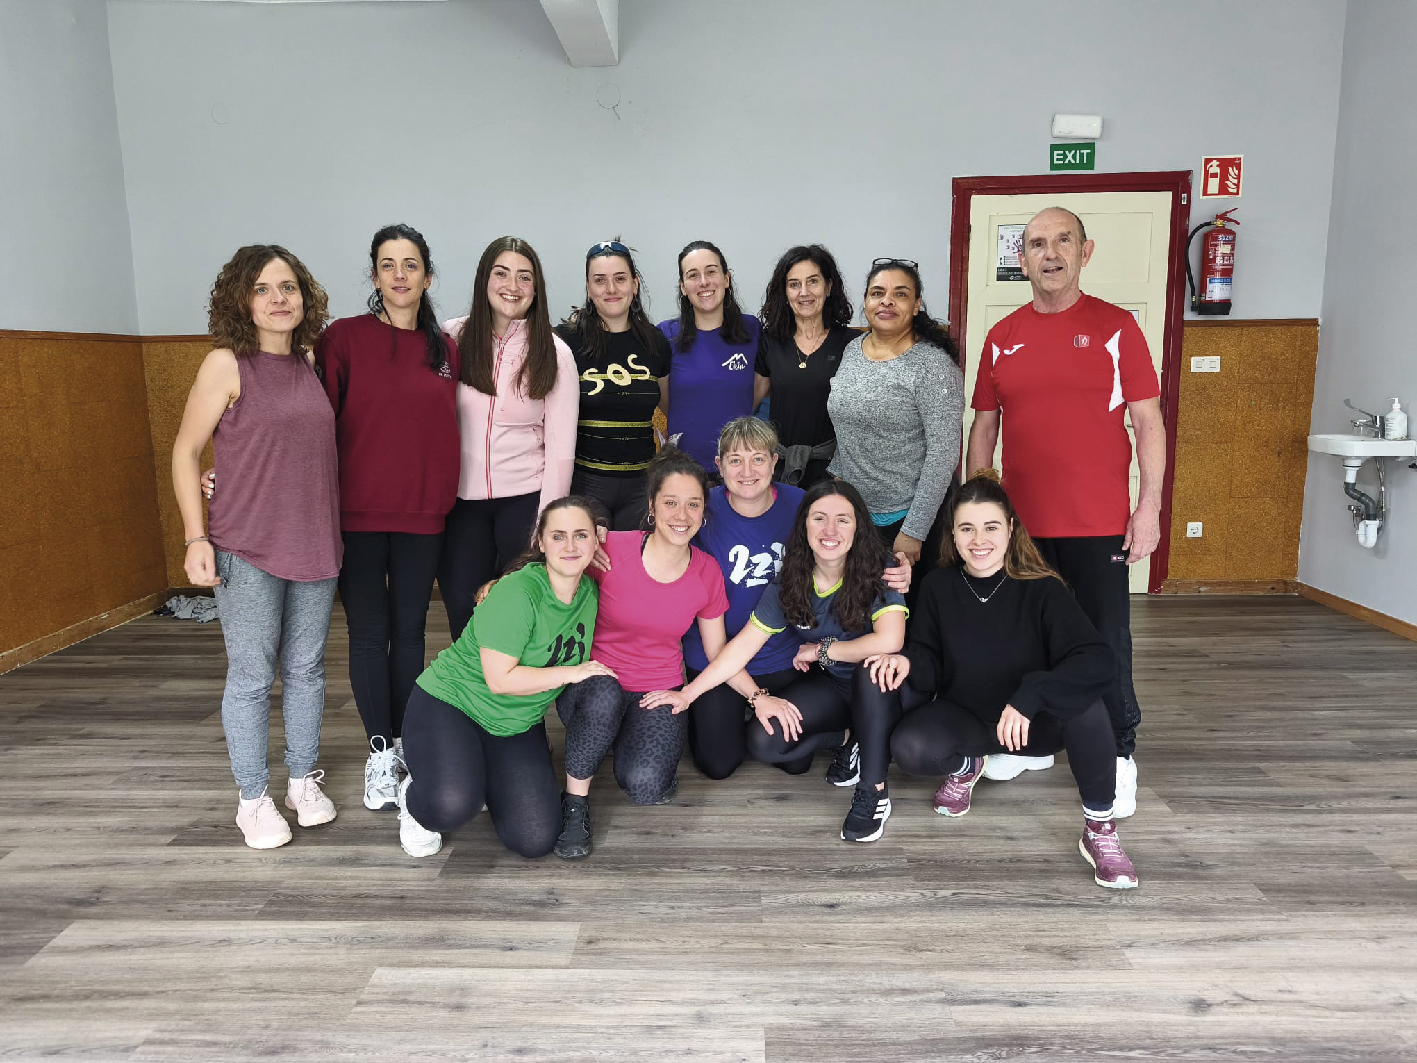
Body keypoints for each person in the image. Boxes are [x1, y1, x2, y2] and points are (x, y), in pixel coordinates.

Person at [965, 207, 1164, 818]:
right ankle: (1034, 744)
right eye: (1036, 244)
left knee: (1104, 642)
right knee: (1023, 640)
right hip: (1020, 529)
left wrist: (1150, 507)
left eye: (1062, 241)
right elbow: (984, 429)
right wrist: (978, 512)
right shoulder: (1002, 336)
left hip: (1097, 523)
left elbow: (1148, 423)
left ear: (1085, 251)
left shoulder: (1116, 327)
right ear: (1021, 259)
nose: (1049, 253)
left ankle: (1118, 754)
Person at [871, 470, 1140, 889]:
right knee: (910, 747)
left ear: (1011, 529)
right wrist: (907, 662)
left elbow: (1097, 659)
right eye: (967, 528)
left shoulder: (1043, 588)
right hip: (970, 718)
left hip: (1033, 724)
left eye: (991, 527)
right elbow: (929, 660)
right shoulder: (939, 586)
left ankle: (1099, 827)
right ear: (953, 534)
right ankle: (967, 767)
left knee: (1088, 707)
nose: (979, 540)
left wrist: (1032, 695)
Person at [171, 244, 339, 850]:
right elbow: (186, 451)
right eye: (263, 289)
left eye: (288, 287)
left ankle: (302, 780)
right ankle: (252, 797)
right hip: (246, 545)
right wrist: (196, 536)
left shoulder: (312, 361)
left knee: (306, 670)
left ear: (304, 296)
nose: (278, 299)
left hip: (316, 542)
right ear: (242, 300)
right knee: (250, 675)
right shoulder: (226, 364)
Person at [644, 479, 908, 844]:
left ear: (858, 526)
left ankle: (873, 791)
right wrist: (688, 695)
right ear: (804, 525)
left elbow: (890, 640)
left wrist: (822, 651)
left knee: (873, 669)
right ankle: (852, 739)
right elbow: (742, 646)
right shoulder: (791, 580)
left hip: (885, 688)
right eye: (819, 518)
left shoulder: (883, 567)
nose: (830, 530)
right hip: (834, 685)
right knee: (766, 740)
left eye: (843, 520)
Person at [313, 224, 460, 813]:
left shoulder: (445, 350)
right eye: (388, 264)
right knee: (370, 633)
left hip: (424, 512)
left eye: (411, 264)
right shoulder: (344, 338)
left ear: (428, 276)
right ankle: (379, 750)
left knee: (411, 632)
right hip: (357, 513)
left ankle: (405, 743)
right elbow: (312, 424)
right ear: (374, 275)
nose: (400, 275)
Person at [682, 416, 914, 781]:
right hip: (719, 650)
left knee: (793, 759)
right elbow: (659, 536)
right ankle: (732, 715)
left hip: (786, 654)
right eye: (735, 460)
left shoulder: (802, 506)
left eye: (758, 459)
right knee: (717, 763)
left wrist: (898, 567)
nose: (747, 471)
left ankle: (848, 740)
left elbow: (848, 539)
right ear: (719, 465)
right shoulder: (701, 509)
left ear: (775, 462)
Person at [394, 497, 610, 859]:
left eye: (581, 535)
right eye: (558, 536)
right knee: (451, 804)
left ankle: (475, 772)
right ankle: (415, 796)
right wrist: (574, 672)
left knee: (535, 838)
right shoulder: (517, 592)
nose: (570, 546)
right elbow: (500, 681)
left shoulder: (589, 593)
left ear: (595, 541)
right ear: (541, 542)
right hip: (454, 705)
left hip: (514, 723)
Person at [553, 448, 729, 859]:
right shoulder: (609, 548)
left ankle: (615, 738)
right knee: (605, 697)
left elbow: (718, 651)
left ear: (704, 512)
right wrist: (502, 583)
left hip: (656, 687)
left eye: (693, 504)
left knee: (647, 786)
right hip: (592, 683)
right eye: (670, 502)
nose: (681, 515)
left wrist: (690, 694)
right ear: (651, 506)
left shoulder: (707, 571)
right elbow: (551, 569)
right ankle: (575, 802)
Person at [439, 236, 579, 641]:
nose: (512, 286)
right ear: (485, 278)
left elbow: (561, 451)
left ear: (536, 289)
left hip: (524, 502)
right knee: (463, 611)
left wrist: (547, 526)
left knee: (518, 615)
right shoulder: (452, 338)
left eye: (524, 277)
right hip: (461, 504)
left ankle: (514, 685)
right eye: (501, 274)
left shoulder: (555, 352)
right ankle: (470, 683)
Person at [827, 259, 963, 571]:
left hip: (909, 519)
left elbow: (943, 454)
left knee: (906, 601)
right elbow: (847, 422)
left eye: (900, 294)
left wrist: (914, 531)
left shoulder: (934, 366)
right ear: (866, 301)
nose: (886, 301)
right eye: (877, 293)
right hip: (857, 515)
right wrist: (839, 484)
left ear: (916, 306)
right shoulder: (853, 350)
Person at [555, 239, 671, 529]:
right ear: (588, 288)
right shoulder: (565, 341)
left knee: (635, 557)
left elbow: (667, 409)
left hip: (642, 486)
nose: (611, 289)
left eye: (620, 279)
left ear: (635, 284)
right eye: (600, 280)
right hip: (586, 484)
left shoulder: (656, 343)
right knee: (591, 558)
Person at [754, 245, 855, 488]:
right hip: (778, 469)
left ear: (828, 287)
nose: (804, 292)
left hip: (833, 472)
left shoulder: (852, 344)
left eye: (813, 281)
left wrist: (846, 473)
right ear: (784, 292)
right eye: (794, 284)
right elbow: (749, 402)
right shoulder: (769, 342)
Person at [659, 240, 761, 472]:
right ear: (683, 287)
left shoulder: (752, 330)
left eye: (711, 272)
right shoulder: (665, 334)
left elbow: (757, 391)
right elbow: (665, 401)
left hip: (740, 470)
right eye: (693, 275)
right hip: (683, 469)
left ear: (726, 278)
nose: (703, 282)